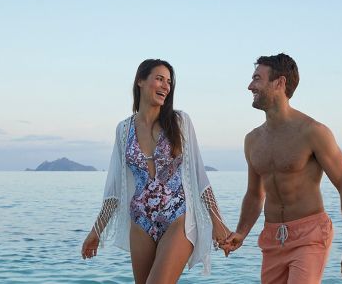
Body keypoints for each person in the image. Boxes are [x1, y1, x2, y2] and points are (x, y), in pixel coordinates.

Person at [81, 59, 231, 283]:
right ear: (140, 81)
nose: (165, 87)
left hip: (178, 217)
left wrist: (218, 223)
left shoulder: (180, 122)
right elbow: (114, 187)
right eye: (159, 79)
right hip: (140, 221)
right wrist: (96, 230)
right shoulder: (124, 129)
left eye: (169, 82)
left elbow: (200, 176)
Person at [222, 53, 342, 282]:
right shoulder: (253, 140)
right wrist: (241, 232)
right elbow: (255, 194)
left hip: (310, 235)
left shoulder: (313, 132)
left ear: (280, 83)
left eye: (257, 78)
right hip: (272, 238)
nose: (250, 86)